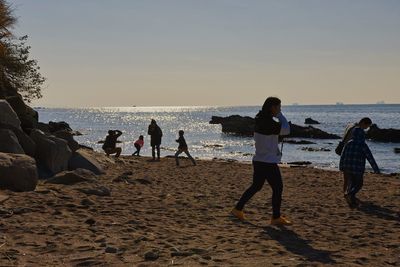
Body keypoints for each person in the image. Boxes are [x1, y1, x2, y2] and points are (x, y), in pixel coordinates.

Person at [231, 97, 292, 226]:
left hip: (258, 160)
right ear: (273, 107)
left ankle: (238, 209)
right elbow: (286, 129)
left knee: (256, 186)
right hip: (268, 162)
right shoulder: (270, 123)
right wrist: (280, 115)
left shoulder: (259, 119)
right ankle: (275, 217)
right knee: (278, 188)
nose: (280, 110)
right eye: (279, 107)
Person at [340, 127, 380, 208]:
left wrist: (341, 166)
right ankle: (350, 195)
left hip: (347, 167)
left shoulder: (349, 143)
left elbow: (343, 155)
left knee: (351, 184)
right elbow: (370, 157)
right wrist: (376, 169)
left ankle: (351, 202)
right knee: (359, 184)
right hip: (358, 168)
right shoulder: (363, 144)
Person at [336, 117, 373, 194]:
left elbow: (345, 138)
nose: (366, 129)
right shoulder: (356, 130)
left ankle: (345, 193)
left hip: (346, 153)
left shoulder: (351, 126)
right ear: (363, 123)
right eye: (366, 126)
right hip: (351, 154)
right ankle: (347, 194)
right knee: (350, 179)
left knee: (347, 177)